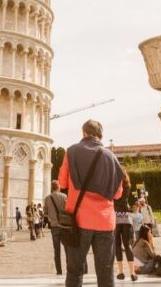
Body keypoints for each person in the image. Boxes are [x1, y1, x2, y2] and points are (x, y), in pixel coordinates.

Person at [58, 119, 123, 287]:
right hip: (105, 221)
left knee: (75, 271)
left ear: (84, 133)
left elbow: (62, 183)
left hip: (79, 220)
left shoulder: (71, 151)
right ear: (101, 136)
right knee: (106, 272)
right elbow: (117, 193)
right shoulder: (111, 157)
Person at [113, 167, 137, 282]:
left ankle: (121, 272)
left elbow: (113, 200)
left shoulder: (113, 186)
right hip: (126, 217)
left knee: (117, 245)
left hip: (115, 217)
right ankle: (132, 273)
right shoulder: (127, 185)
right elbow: (123, 201)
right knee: (128, 245)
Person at [43, 180, 67, 275]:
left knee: (57, 250)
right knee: (67, 249)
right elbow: (68, 210)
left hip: (54, 227)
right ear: (59, 187)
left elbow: (45, 212)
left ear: (51, 188)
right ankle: (70, 269)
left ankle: (59, 271)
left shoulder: (47, 198)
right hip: (64, 227)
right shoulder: (64, 196)